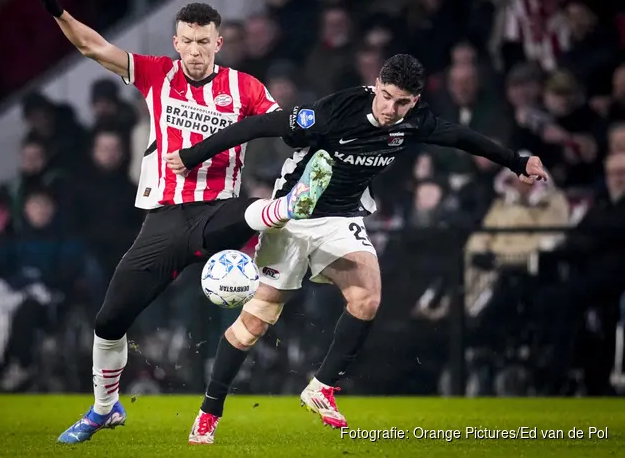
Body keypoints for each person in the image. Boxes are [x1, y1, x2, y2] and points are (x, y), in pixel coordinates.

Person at [165, 54, 548, 444]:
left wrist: (517, 162)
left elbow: (461, 137)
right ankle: (209, 411)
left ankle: (321, 387)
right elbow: (260, 125)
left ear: (414, 101)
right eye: (386, 96)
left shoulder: (415, 121)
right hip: (294, 213)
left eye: (402, 102)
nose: (390, 109)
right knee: (257, 321)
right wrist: (193, 156)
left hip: (342, 216)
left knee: (367, 299)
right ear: (376, 84)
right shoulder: (337, 110)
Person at [26, 0, 335, 444]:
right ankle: (105, 408)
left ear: (218, 42)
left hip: (220, 211)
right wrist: (60, 13)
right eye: (187, 41)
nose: (194, 51)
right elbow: (94, 47)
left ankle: (287, 207)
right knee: (108, 322)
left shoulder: (244, 87)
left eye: (203, 41)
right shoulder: (157, 75)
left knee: (243, 213)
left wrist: (306, 126)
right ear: (176, 42)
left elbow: (279, 124)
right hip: (166, 218)